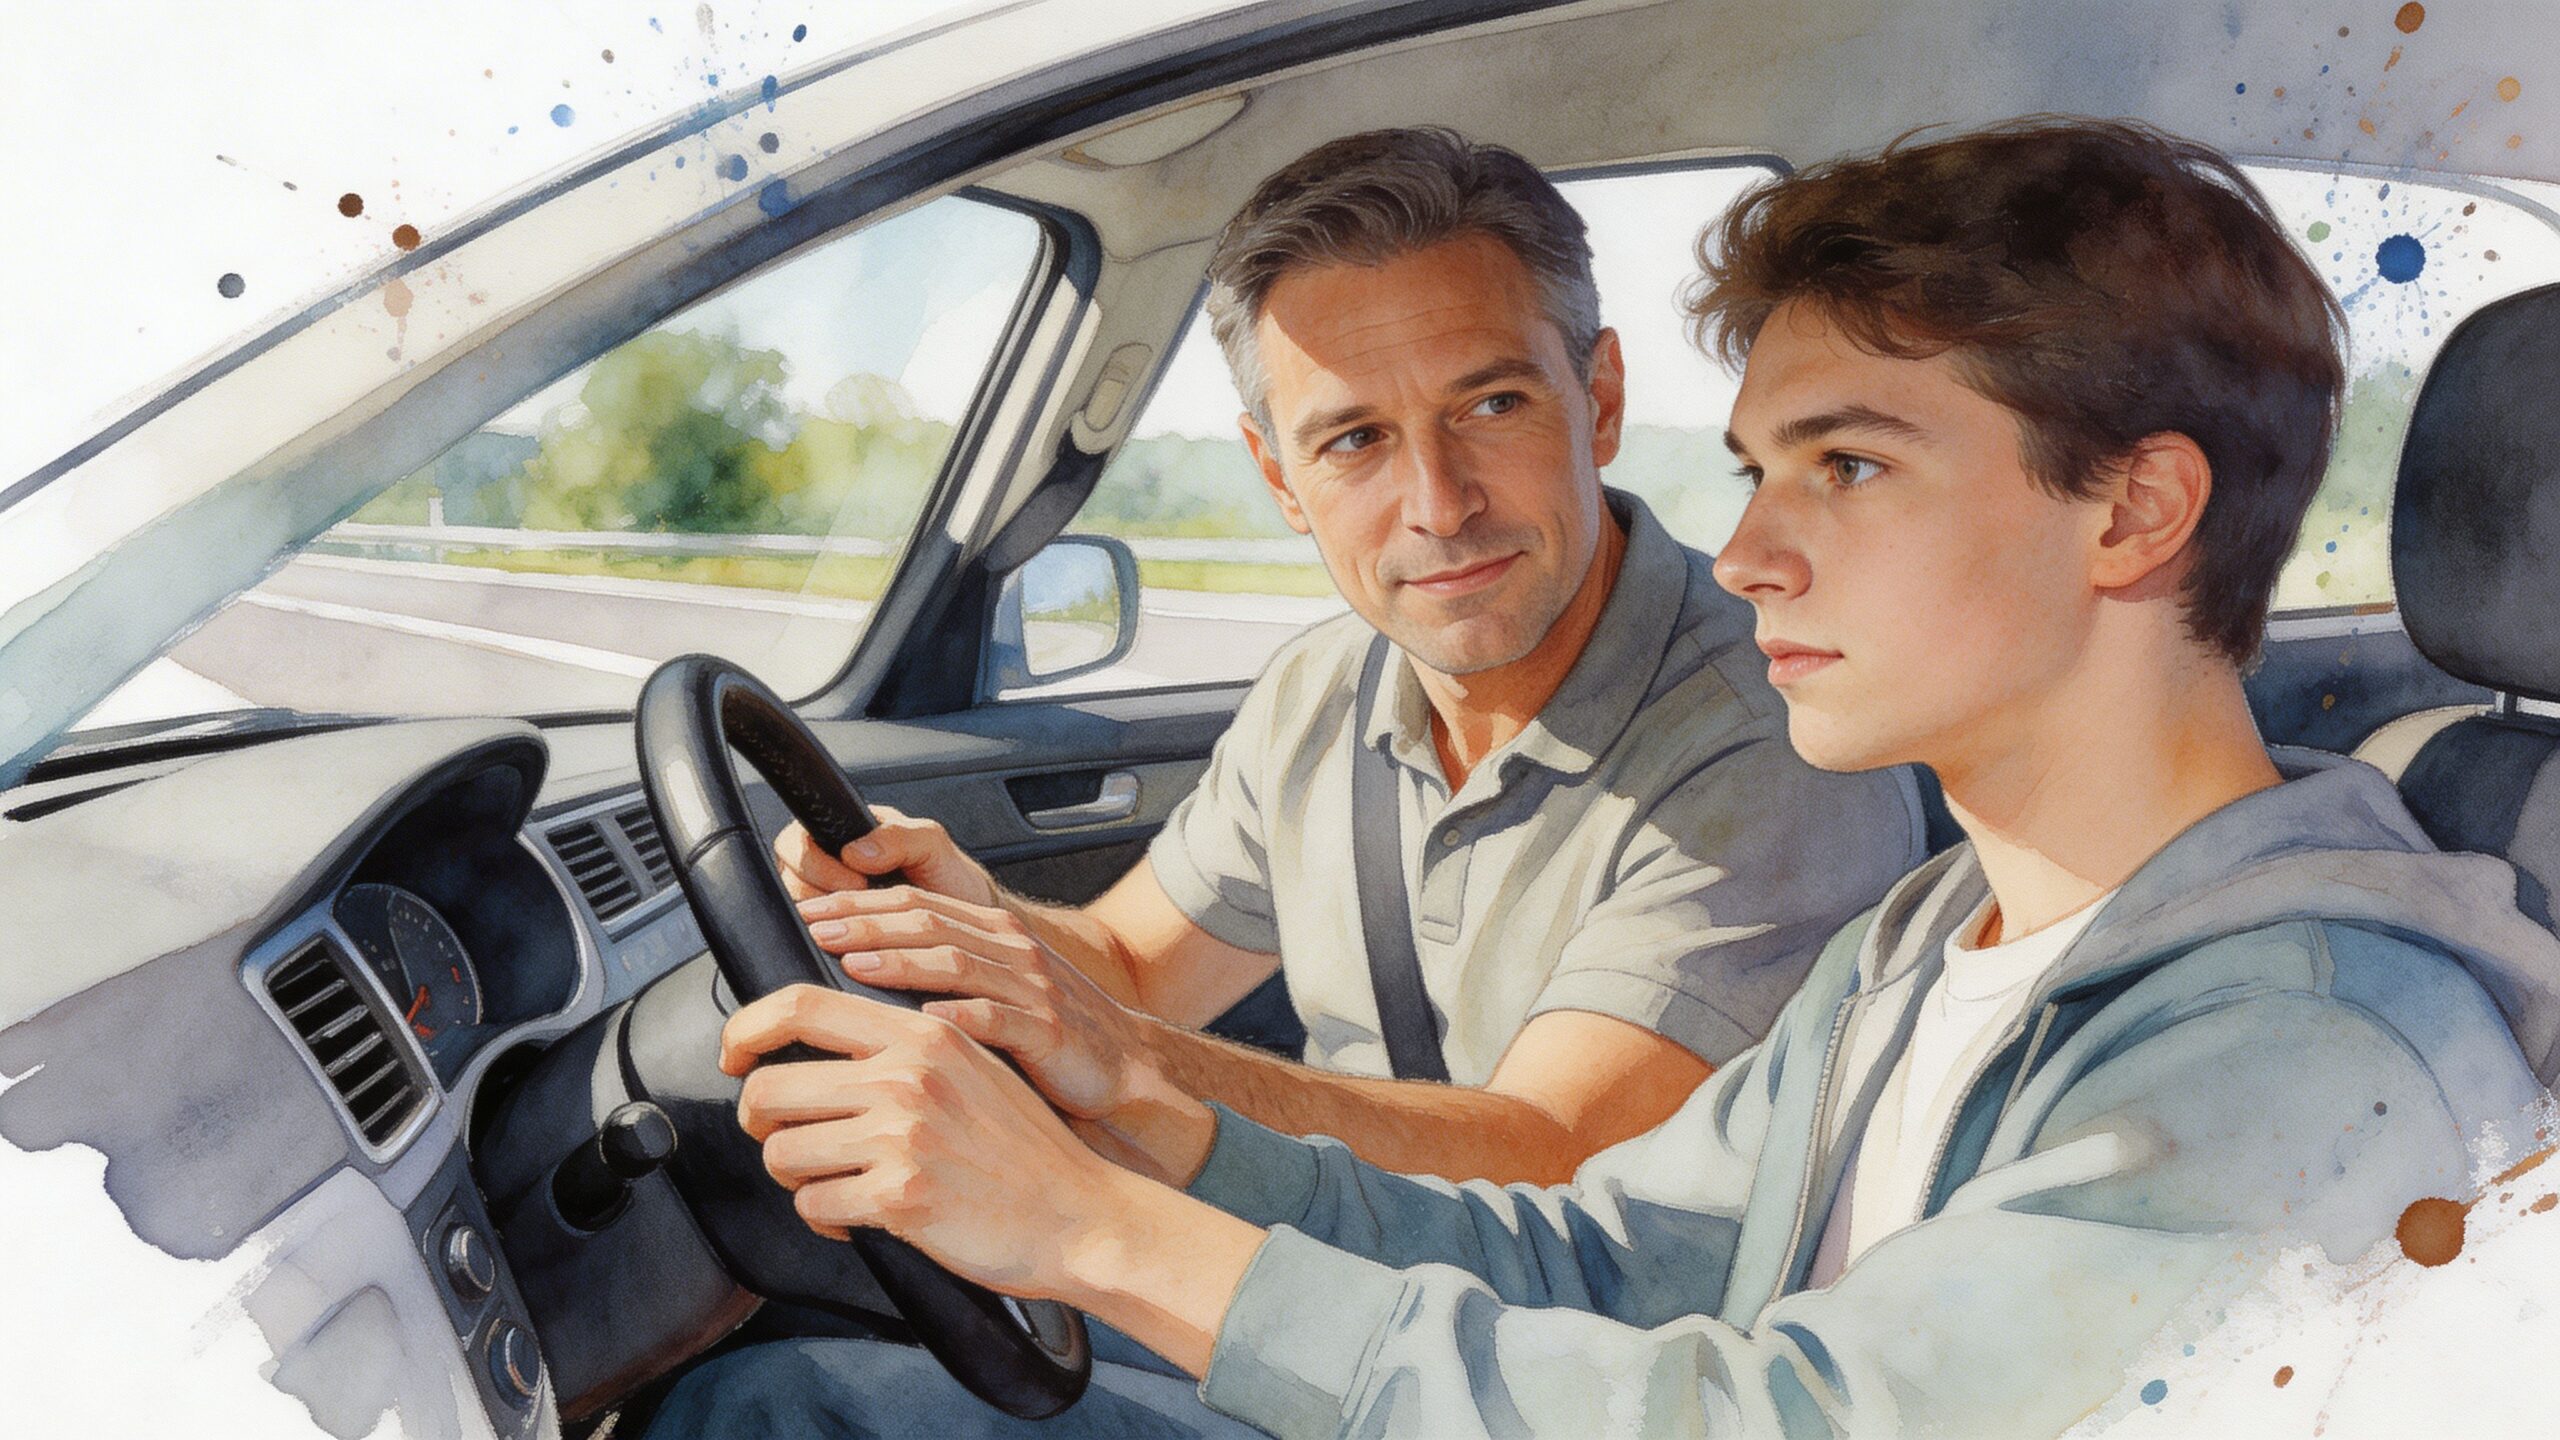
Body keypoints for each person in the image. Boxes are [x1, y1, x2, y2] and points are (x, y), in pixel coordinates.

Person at [653, 117, 2560, 1438]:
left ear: (2135, 508)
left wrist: (1089, 1230)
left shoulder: (2311, 1060)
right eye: (1760, 472)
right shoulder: (1940, 943)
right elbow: (1613, 1250)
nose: (1746, 557)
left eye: (1853, 466)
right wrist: (1136, 1104)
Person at [770, 127, 1922, 1188]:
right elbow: (1127, 959)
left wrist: (1110, 1051)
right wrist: (977, 922)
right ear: (1280, 480)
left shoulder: (1775, 730)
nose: (1437, 503)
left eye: (1491, 404)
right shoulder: (1323, 687)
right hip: (1327, 1280)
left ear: (1599, 399)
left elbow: (1553, 1153)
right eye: (1356, 439)